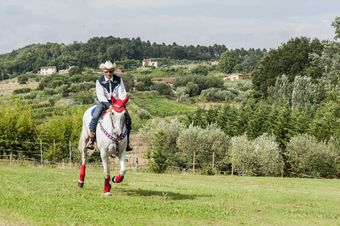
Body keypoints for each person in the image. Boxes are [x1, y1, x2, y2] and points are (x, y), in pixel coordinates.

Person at [86, 61, 133, 151]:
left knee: (128, 119)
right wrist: (109, 105)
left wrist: (118, 104)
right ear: (103, 71)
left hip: (117, 103)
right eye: (106, 71)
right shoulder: (99, 81)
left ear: (113, 71)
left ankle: (127, 142)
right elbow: (101, 96)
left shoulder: (119, 80)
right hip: (104, 102)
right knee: (95, 116)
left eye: (110, 71)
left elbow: (122, 93)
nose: (108, 73)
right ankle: (91, 139)